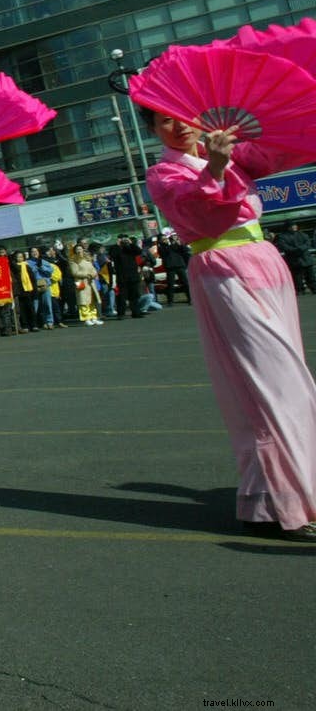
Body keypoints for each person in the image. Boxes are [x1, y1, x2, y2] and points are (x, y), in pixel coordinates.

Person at [143, 110, 316, 542]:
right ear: (152, 130)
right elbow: (201, 215)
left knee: (284, 383)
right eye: (164, 122)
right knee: (273, 388)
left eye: (184, 116)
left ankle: (265, 501)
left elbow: (286, 150)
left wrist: (263, 125)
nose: (178, 127)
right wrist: (217, 167)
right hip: (222, 268)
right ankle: (289, 500)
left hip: (267, 264)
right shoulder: (162, 172)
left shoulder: (233, 152)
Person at [68, 245, 102, 326]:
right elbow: (74, 272)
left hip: (90, 282)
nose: (79, 250)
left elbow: (93, 269)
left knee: (92, 300)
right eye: (77, 249)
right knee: (83, 301)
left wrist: (93, 274)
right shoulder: (73, 260)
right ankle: (86, 318)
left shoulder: (87, 259)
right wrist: (86, 275)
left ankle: (94, 317)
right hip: (81, 282)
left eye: (80, 249)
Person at [278, 222, 314, 295]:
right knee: (297, 277)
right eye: (292, 226)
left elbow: (308, 243)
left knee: (311, 276)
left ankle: (314, 288)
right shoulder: (282, 236)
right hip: (294, 260)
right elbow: (284, 247)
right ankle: (299, 290)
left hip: (306, 258)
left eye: (295, 225)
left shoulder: (302, 234)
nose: (294, 227)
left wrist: (301, 249)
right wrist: (296, 250)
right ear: (288, 227)